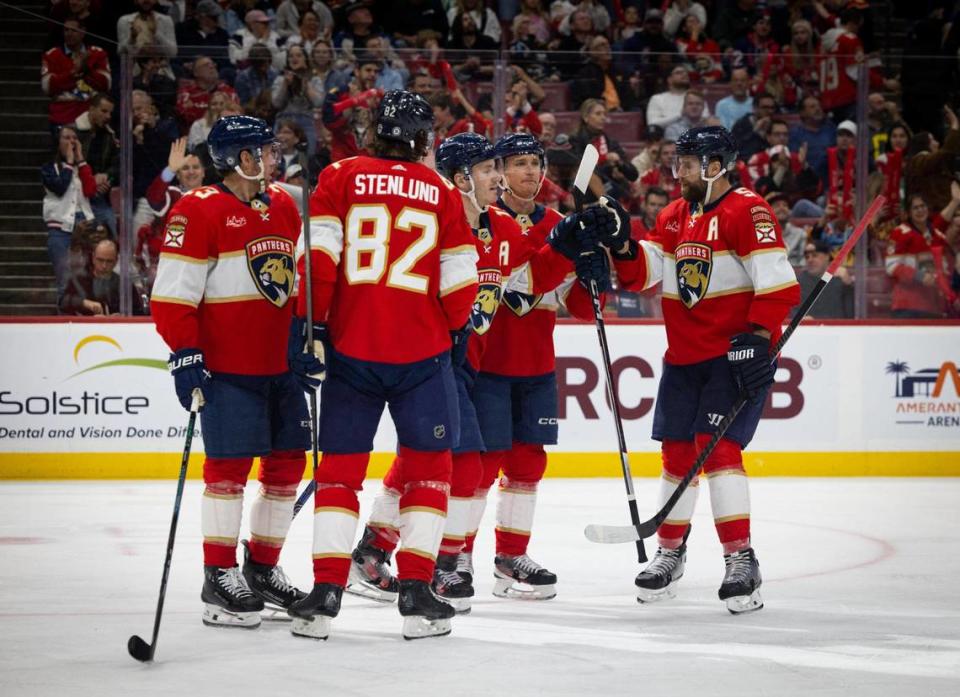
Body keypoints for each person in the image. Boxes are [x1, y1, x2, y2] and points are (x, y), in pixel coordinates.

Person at [343, 132, 595, 612]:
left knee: (447, 461)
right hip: (432, 363)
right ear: (461, 178)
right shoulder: (435, 224)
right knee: (449, 463)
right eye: (491, 169)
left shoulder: (499, 225)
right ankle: (428, 558)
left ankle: (392, 551)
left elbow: (533, 276)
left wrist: (570, 243)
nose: (503, 178)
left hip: (464, 365)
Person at [286, 91, 479, 640]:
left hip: (351, 350)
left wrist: (314, 327)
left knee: (340, 473)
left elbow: (317, 261)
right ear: (422, 139)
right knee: (429, 473)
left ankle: (325, 593)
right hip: (421, 356)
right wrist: (451, 329)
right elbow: (461, 283)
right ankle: (417, 591)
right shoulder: (441, 190)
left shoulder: (340, 176)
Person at [583, 126, 800, 614]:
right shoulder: (674, 215)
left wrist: (759, 342)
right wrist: (622, 243)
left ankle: (740, 557)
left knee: (717, 450)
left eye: (686, 162)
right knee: (678, 454)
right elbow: (645, 273)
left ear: (716, 165)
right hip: (682, 359)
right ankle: (670, 552)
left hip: (730, 358)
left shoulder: (748, 210)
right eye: (677, 161)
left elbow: (779, 286)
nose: (676, 170)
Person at [150, 115, 310, 629]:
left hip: (279, 369)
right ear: (237, 157)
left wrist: (302, 338)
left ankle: (262, 569)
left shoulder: (284, 205)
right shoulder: (197, 211)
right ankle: (218, 576)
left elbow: (293, 282)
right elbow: (173, 295)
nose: (272, 156)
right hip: (227, 369)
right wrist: (185, 353)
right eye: (262, 149)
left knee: (287, 468)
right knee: (228, 472)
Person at [463, 132, 601, 600]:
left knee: (527, 464)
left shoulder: (559, 222)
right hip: (488, 364)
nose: (528, 172)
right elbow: (522, 274)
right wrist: (561, 247)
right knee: (482, 466)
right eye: (518, 163)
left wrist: (591, 273)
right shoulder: (483, 219)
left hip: (537, 365)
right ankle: (458, 557)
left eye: (535, 163)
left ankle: (510, 558)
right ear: (499, 170)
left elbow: (577, 305)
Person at [42, 125, 97, 298]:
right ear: (57, 142)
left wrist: (80, 160)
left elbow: (91, 190)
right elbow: (59, 187)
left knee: (88, 277)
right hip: (60, 229)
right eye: (66, 137)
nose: (71, 141)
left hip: (84, 224)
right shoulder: (49, 168)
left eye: (74, 138)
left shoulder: (81, 167)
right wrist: (69, 163)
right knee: (64, 280)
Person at [42, 17, 111, 134]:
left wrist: (87, 70)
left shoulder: (98, 53)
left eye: (73, 30)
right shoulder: (52, 55)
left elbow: (106, 84)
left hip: (91, 119)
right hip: (62, 118)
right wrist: (74, 73)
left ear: (83, 32)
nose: (68, 34)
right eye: (66, 30)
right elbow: (47, 87)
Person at [885, 194, 951, 319]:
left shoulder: (937, 236)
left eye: (923, 206)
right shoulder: (899, 233)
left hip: (933, 304)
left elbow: (945, 269)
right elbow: (891, 266)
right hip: (906, 305)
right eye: (915, 208)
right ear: (908, 213)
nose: (920, 210)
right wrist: (919, 276)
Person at [60, 239, 146, 316]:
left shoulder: (125, 285)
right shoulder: (79, 280)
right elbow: (62, 302)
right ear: (93, 258)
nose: (104, 266)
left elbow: (138, 313)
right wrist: (83, 303)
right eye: (100, 260)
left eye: (109, 261)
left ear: (116, 261)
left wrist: (122, 318)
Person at [73, 92, 118, 237]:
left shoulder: (109, 135)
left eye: (110, 113)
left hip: (99, 197)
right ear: (91, 109)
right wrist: (91, 181)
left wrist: (107, 178)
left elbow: (117, 166)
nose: (108, 117)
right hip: (75, 198)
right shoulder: (72, 133)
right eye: (104, 111)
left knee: (112, 231)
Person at [272, 44, 325, 156]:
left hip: (305, 121)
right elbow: (276, 103)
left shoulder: (314, 79)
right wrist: (285, 84)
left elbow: (318, 102)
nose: (294, 58)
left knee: (308, 157)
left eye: (298, 55)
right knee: (276, 157)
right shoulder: (280, 79)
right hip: (284, 120)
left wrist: (306, 84)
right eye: (291, 56)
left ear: (305, 58)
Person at [176, 56, 239, 131]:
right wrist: (219, 111)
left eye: (213, 64)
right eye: (206, 65)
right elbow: (184, 114)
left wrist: (198, 108)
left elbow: (235, 112)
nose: (212, 67)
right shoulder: (187, 92)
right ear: (196, 73)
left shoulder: (228, 90)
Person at [794, 240, 853, 319]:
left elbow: (852, 315)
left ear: (827, 256)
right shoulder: (799, 283)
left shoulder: (840, 279)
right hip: (809, 330)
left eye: (815, 255)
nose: (810, 260)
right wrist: (800, 320)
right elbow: (792, 314)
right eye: (807, 257)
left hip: (838, 329)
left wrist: (848, 285)